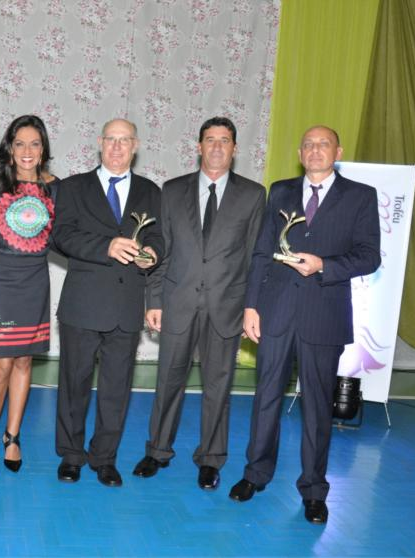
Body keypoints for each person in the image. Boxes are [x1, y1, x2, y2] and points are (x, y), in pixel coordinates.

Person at [229, 126, 381, 524]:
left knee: (316, 406)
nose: (315, 150)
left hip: (323, 314)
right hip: (276, 312)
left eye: (323, 144)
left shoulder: (360, 196)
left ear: (338, 151)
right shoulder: (280, 191)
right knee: (266, 398)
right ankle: (255, 474)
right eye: (308, 145)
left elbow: (370, 256)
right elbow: (261, 252)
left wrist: (324, 266)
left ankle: (314, 490)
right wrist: (251, 306)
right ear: (300, 153)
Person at [134, 117, 265, 490]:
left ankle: (210, 459)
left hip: (227, 306)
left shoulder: (254, 195)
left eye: (225, 140)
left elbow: (255, 257)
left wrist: (252, 307)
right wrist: (154, 299)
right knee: (167, 381)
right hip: (177, 302)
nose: (217, 146)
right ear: (198, 146)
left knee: (218, 386)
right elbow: (162, 249)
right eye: (210, 139)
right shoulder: (172, 190)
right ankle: (157, 450)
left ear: (235, 148)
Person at [53, 118, 164, 487]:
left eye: (124, 140)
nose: (117, 147)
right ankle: (71, 456)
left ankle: (104, 458)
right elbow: (61, 236)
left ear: (136, 145)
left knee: (116, 390)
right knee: (74, 384)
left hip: (125, 306)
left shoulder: (151, 191)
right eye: (111, 139)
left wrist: (152, 254)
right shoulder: (72, 187)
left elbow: (160, 238)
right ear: (100, 143)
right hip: (83, 304)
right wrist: (107, 247)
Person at [0, 115, 58, 473]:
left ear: (43, 150)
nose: (27, 151)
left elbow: (65, 234)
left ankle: (13, 436)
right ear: (9, 148)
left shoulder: (56, 188)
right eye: (20, 143)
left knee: (24, 361)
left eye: (34, 144)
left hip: (34, 280)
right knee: (1, 364)